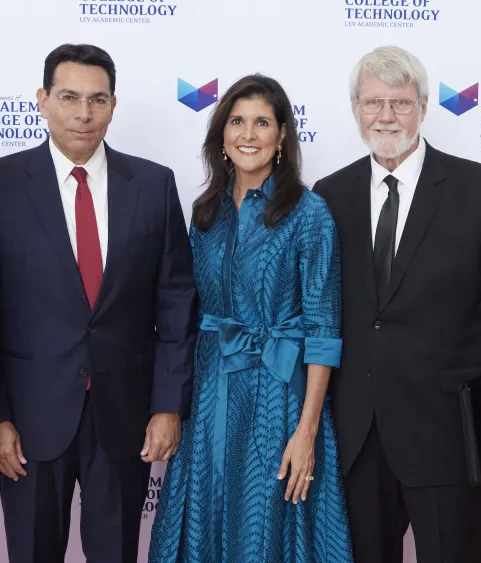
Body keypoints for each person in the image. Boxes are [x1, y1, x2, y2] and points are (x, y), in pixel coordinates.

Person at [312, 45, 481, 563]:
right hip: (357, 438)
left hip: (452, 437)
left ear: (423, 105)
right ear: (355, 109)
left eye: (400, 102)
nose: (386, 115)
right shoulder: (329, 197)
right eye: (374, 103)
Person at [0, 43, 198, 563]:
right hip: (28, 419)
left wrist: (168, 405)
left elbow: (176, 305)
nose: (83, 112)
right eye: (69, 97)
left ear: (113, 106)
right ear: (42, 100)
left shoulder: (154, 184)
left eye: (97, 99)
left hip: (125, 417)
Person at [148, 74, 354, 563]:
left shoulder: (309, 214)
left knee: (267, 525)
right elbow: (183, 312)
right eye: (237, 121)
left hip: (281, 396)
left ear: (282, 135)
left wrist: (305, 433)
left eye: (262, 122)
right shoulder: (204, 213)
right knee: (205, 516)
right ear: (221, 134)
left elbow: (324, 332)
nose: (248, 133)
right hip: (210, 395)